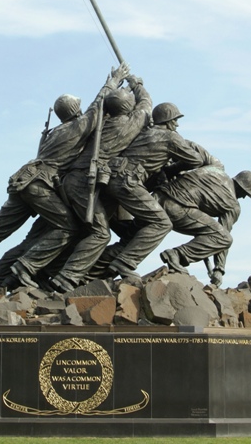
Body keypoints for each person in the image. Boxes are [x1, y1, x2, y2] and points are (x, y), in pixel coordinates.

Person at [0, 64, 128, 294]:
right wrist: (113, 81)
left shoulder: (54, 133)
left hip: (23, 181)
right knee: (68, 227)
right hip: (39, 185)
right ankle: (25, 268)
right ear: (76, 109)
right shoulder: (76, 127)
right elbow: (98, 107)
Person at [17, 74, 152, 292]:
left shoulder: (95, 126)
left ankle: (50, 272)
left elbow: (96, 110)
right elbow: (146, 104)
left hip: (70, 182)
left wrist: (113, 86)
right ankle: (65, 277)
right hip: (84, 184)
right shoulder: (132, 123)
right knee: (100, 233)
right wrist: (137, 85)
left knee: (80, 230)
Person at [95, 102, 205, 283]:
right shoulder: (171, 137)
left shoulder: (143, 133)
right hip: (127, 181)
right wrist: (172, 168)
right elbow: (196, 160)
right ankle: (126, 262)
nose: (177, 125)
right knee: (162, 223)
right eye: (175, 120)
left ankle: (87, 273)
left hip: (111, 179)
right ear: (169, 120)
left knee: (117, 231)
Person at [156, 155, 251, 287]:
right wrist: (219, 269)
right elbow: (222, 236)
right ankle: (177, 254)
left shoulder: (215, 168)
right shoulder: (233, 205)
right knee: (224, 238)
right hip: (177, 209)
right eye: (246, 194)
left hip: (157, 198)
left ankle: (121, 259)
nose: (244, 197)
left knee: (131, 241)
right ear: (242, 188)